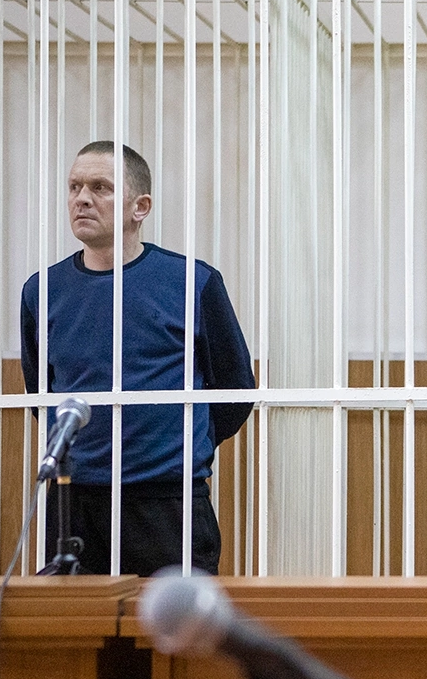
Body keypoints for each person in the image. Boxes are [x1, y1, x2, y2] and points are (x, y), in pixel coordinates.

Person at [20, 141, 254, 576]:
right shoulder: (42, 290)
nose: (82, 198)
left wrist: (175, 446)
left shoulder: (192, 281)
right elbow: (42, 395)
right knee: (74, 619)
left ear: (140, 207)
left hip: (168, 501)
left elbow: (235, 390)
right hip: (76, 499)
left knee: (172, 621)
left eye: (100, 187)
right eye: (74, 187)